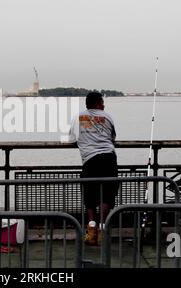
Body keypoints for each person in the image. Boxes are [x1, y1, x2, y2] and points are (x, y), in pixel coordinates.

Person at [69, 91, 118, 245]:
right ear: (97, 103)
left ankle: (91, 231)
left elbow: (71, 139)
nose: (104, 105)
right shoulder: (107, 116)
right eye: (102, 102)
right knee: (108, 194)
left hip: (89, 159)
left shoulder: (78, 117)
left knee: (89, 195)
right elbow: (113, 137)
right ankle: (102, 230)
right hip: (109, 157)